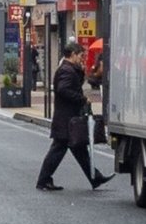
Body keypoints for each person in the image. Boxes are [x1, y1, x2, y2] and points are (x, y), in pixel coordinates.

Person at [36, 41, 115, 191]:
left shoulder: (68, 69)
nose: (82, 59)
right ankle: (43, 180)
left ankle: (95, 178)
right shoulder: (67, 70)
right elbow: (63, 89)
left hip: (68, 118)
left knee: (79, 149)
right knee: (59, 150)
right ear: (72, 55)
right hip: (67, 118)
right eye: (80, 55)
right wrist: (82, 98)